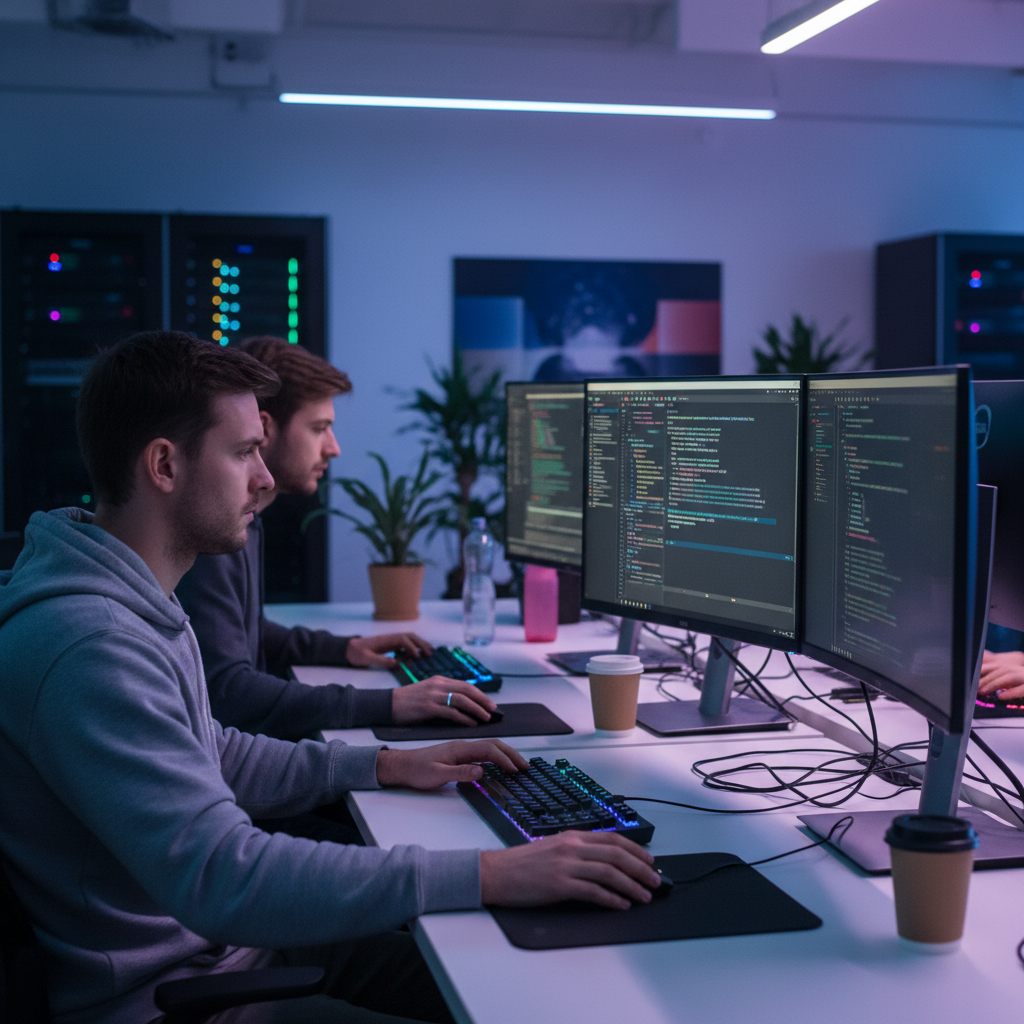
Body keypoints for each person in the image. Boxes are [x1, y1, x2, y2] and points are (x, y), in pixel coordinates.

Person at [0, 331, 661, 1024]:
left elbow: (213, 751)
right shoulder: (93, 644)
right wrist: (490, 871)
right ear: (164, 465)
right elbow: (222, 876)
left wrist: (383, 764)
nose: (263, 479)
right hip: (177, 996)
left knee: (525, 984)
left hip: (228, 952)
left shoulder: (133, 598)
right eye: (243, 452)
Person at [176, 336, 493, 744]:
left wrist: (346, 649)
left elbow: (243, 632)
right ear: (265, 429)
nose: (335, 448)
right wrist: (389, 704)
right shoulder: (215, 534)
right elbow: (228, 691)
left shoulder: (245, 524)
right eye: (319, 428)